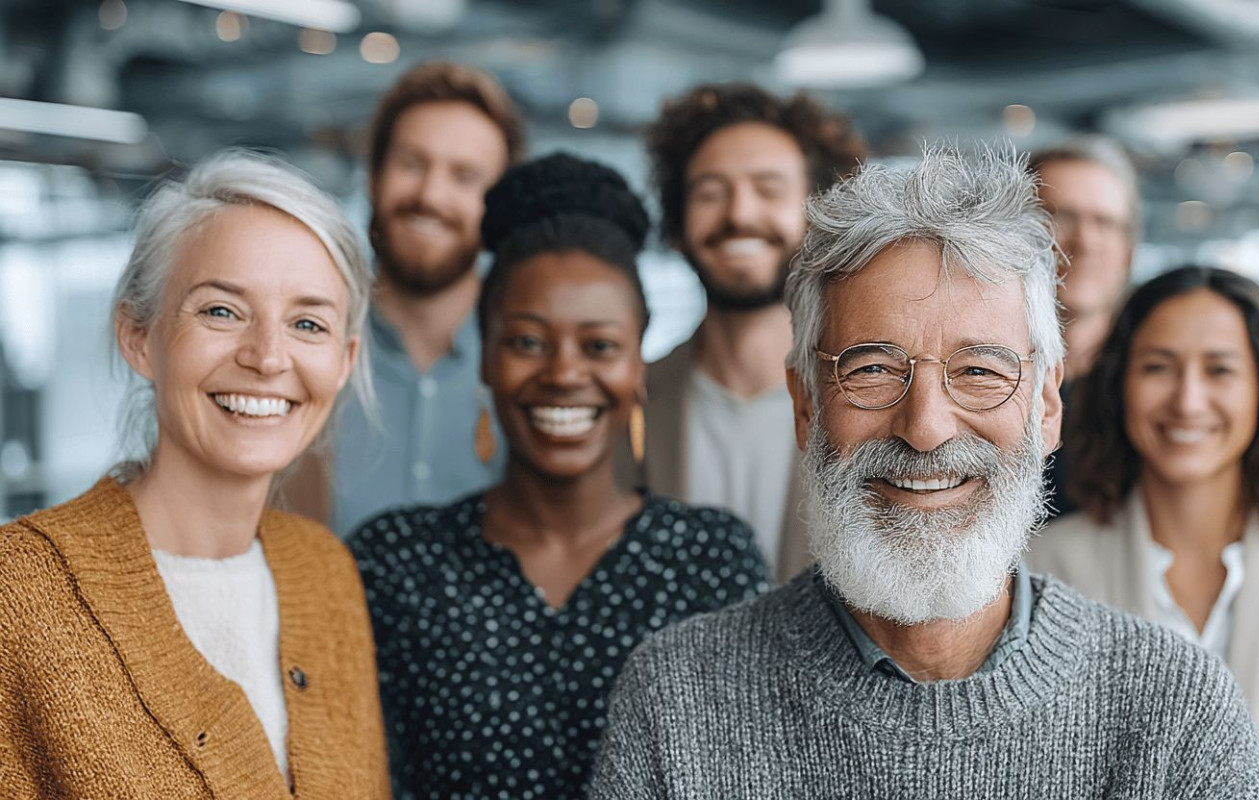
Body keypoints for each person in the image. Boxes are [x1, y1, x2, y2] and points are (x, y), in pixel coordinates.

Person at [589, 147, 1259, 799]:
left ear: (1047, 405)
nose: (926, 428)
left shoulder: (1177, 711)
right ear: (805, 406)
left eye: (980, 371)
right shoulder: (675, 700)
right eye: (872, 369)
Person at [350, 154, 771, 799]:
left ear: (637, 361)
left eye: (599, 346)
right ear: (485, 355)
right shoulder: (396, 563)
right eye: (527, 342)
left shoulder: (711, 560)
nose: (564, 374)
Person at [0, 152, 390, 798]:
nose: (268, 357)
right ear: (138, 335)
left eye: (307, 324)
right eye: (221, 311)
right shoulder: (19, 592)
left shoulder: (326, 575)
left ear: (344, 361)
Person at [1026, 265, 1259, 800]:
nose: (1188, 400)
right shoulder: (1046, 568)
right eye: (1158, 367)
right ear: (1119, 385)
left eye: (1220, 370)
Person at [283, 61, 526, 535]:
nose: (431, 195)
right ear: (374, 177)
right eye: (412, 164)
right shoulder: (298, 349)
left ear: (500, 207)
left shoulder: (534, 366)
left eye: (465, 176)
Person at [638, 83, 865, 580]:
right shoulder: (629, 400)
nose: (739, 213)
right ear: (677, 227)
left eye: (769, 189)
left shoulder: (869, 402)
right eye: (710, 192)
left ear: (821, 221)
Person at [1030, 135, 1139, 516]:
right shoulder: (977, 374)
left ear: (1129, 251)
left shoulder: (1153, 384)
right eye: (1061, 216)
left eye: (1105, 223)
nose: (1085, 241)